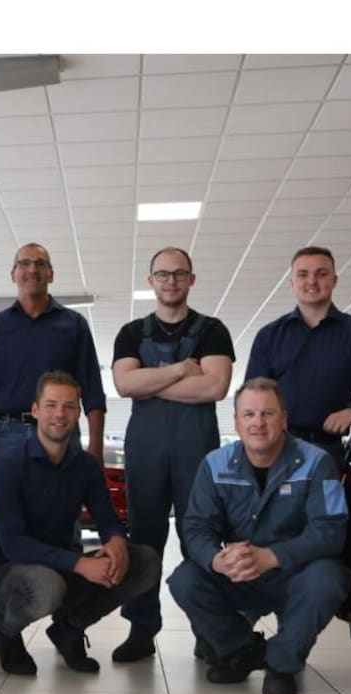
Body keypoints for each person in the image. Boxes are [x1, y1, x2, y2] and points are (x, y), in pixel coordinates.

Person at [167, 378, 350, 694]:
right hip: (239, 575)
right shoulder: (214, 464)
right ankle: (242, 651)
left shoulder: (318, 462)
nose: (258, 422)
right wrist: (217, 560)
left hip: (296, 573)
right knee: (185, 580)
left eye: (267, 413)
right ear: (236, 422)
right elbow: (195, 527)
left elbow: (331, 531)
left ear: (284, 419)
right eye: (249, 414)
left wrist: (272, 556)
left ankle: (281, 664)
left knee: (328, 579)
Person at [0, 243, 108, 652]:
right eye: (25, 264)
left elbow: (92, 389)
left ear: (51, 273)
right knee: (2, 528)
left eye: (40, 263)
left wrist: (95, 448)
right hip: (6, 432)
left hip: (63, 433)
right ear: (13, 274)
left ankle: (67, 623)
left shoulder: (72, 325)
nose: (32, 270)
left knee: (67, 524)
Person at [0, 371, 160, 675]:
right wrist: (79, 564)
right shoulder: (8, 465)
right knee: (47, 586)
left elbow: (107, 518)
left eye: (69, 406)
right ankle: (5, 631)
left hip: (63, 567)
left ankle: (69, 628)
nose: (60, 414)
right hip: (10, 573)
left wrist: (116, 541)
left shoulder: (85, 465)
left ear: (78, 412)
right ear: (35, 410)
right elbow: (14, 544)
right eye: (51, 405)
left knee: (145, 561)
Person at [111, 246, 234, 663]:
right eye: (162, 274)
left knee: (199, 534)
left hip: (195, 448)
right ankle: (141, 630)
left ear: (191, 280)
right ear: (151, 281)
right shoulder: (131, 332)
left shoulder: (213, 330)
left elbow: (214, 387)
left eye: (179, 274)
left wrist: (150, 382)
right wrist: (181, 370)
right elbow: (125, 385)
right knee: (144, 538)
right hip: (145, 449)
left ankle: (207, 629)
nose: (171, 281)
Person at [245, 245, 351, 467]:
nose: (312, 281)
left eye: (321, 274)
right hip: (275, 451)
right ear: (292, 283)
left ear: (334, 280)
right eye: (303, 274)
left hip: (329, 452)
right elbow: (252, 397)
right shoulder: (269, 335)